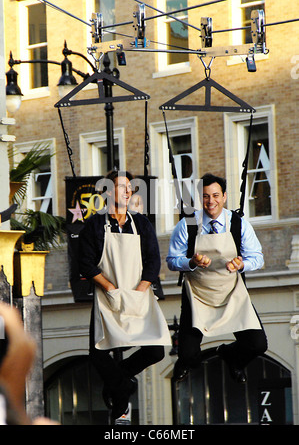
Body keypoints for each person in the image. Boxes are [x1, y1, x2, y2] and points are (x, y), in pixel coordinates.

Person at [79, 170, 171, 420]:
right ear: (108, 191)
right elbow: (85, 264)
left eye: (130, 187)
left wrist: (142, 288)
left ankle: (120, 381)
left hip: (140, 293)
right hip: (108, 297)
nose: (128, 190)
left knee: (156, 351)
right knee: (97, 353)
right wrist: (109, 288)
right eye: (122, 186)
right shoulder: (95, 225)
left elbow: (153, 259)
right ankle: (122, 392)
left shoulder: (141, 223)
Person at [166, 173, 267, 384]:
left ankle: (231, 357)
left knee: (257, 344)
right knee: (188, 355)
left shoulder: (239, 224)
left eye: (215, 195)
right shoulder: (187, 225)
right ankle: (183, 362)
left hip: (232, 292)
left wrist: (242, 264)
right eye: (205, 196)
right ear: (199, 198)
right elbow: (172, 260)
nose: (210, 202)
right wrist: (191, 262)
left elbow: (257, 257)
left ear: (224, 197)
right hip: (198, 294)